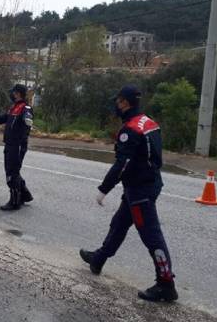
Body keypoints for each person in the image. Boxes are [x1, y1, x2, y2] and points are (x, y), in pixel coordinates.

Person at [80, 85, 178, 302]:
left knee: (152, 236)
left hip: (140, 189)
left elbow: (122, 164)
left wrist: (104, 189)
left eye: (118, 101)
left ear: (125, 102)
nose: (116, 105)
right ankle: (99, 258)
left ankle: (166, 284)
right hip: (149, 183)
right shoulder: (148, 122)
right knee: (120, 223)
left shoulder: (129, 130)